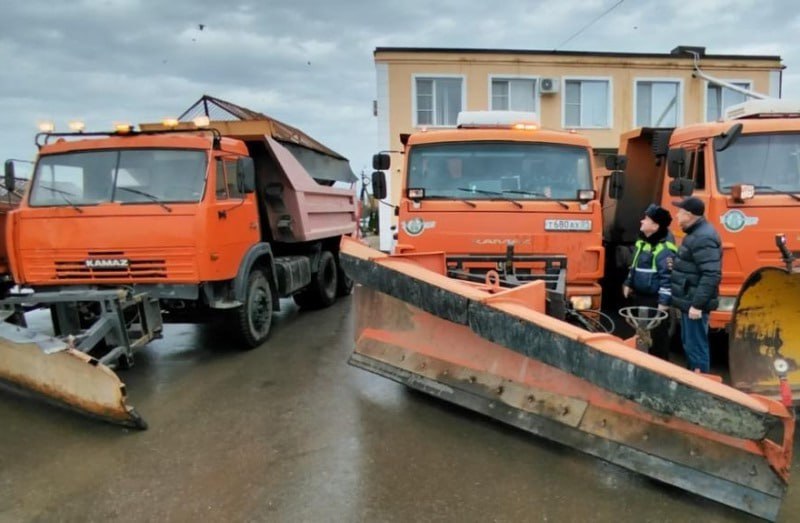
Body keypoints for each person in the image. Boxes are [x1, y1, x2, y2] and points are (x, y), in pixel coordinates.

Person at [669, 196, 722, 373]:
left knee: (696, 347)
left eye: (680, 212)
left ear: (689, 215)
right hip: (689, 300)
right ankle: (693, 380)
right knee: (690, 344)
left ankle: (701, 387)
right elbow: (694, 266)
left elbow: (711, 274)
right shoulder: (695, 234)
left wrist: (697, 305)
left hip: (694, 304)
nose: (676, 215)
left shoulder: (703, 237)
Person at [622, 204, 677, 360]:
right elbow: (634, 266)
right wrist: (628, 282)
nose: (641, 221)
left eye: (646, 219)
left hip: (654, 301)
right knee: (641, 334)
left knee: (658, 338)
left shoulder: (664, 249)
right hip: (641, 296)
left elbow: (667, 278)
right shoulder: (642, 243)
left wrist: (663, 304)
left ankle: (659, 367)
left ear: (655, 225)